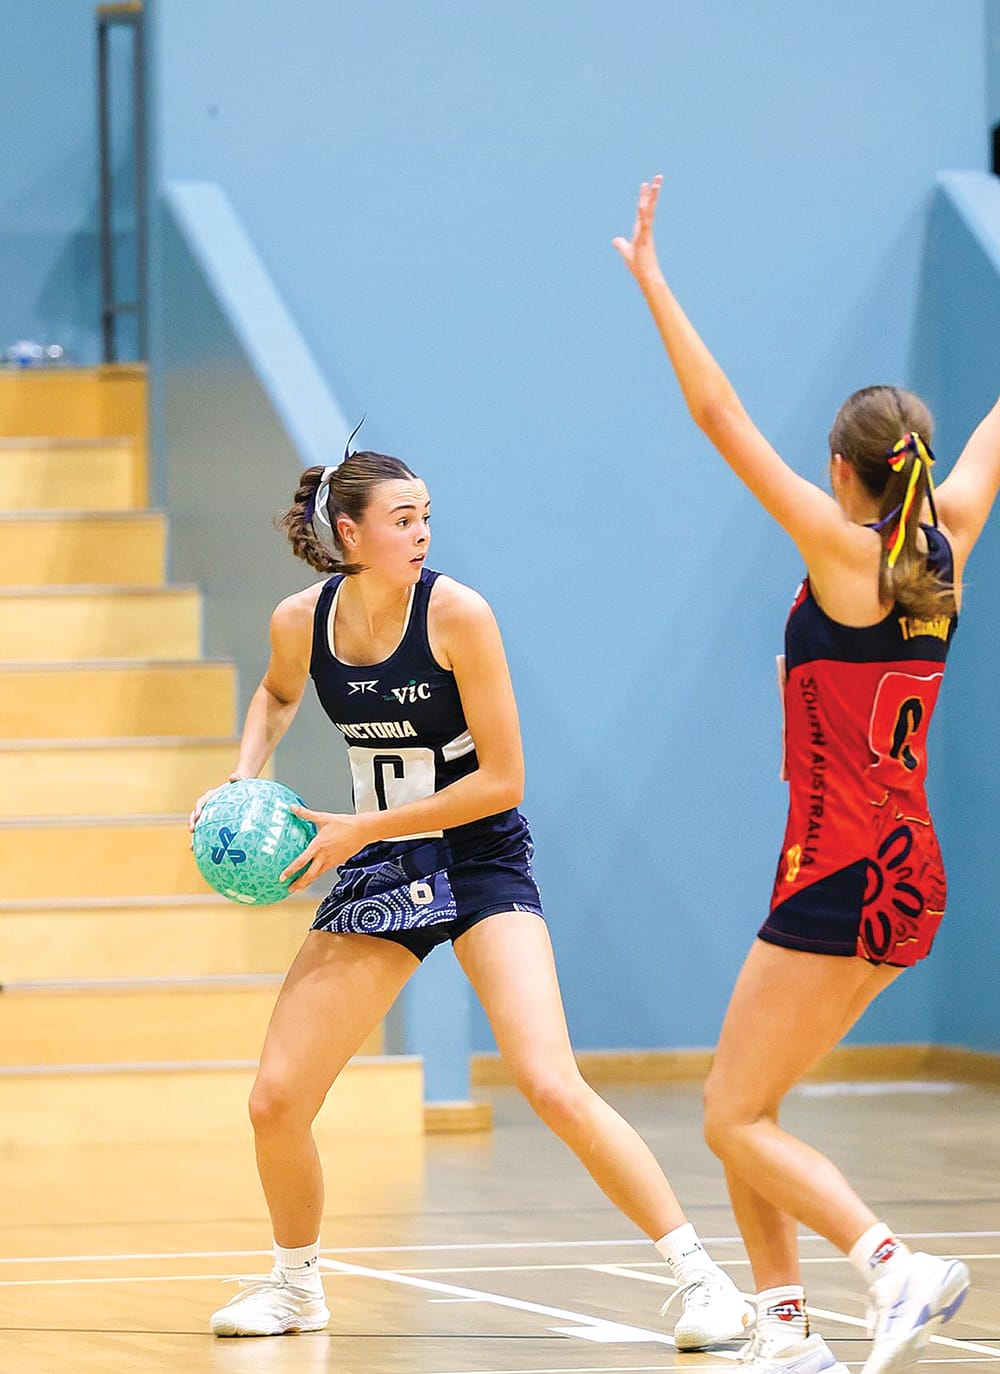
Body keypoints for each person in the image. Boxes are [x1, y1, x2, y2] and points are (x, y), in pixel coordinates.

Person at [192, 435, 753, 1345]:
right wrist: (239, 780)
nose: (421, 534)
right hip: (380, 866)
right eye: (401, 519)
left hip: (476, 855)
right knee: (276, 1100)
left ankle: (703, 1281)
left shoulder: (459, 614)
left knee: (549, 1079)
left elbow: (504, 780)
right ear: (350, 533)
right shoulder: (302, 619)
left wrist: (354, 830)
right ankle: (296, 1287)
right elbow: (275, 694)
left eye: (426, 518)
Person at [614, 175, 999, 1374]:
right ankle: (786, 1333)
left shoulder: (841, 554)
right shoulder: (952, 531)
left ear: (844, 470)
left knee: (729, 1114)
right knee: (750, 1107)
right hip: (903, 875)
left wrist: (655, 285)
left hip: (838, 866)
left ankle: (894, 1266)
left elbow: (716, 413)